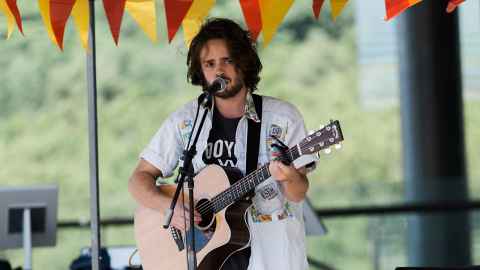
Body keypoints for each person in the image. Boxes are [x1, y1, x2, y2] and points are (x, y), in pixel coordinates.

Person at [128, 18, 317, 270]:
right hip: (204, 258)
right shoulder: (186, 121)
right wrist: (168, 208)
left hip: (271, 256)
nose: (219, 70)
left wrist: (287, 175)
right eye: (209, 64)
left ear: (244, 62)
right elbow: (138, 180)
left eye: (227, 60)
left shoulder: (282, 118)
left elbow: (298, 192)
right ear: (201, 72)